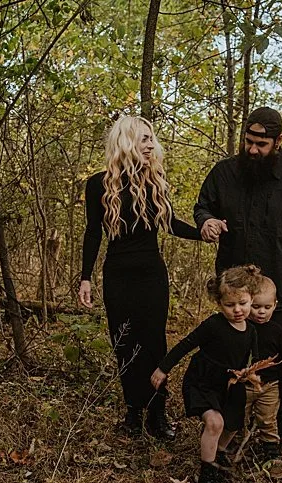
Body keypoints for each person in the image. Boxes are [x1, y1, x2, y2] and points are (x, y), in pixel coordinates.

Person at [193, 106, 282, 446]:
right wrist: (206, 221)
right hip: (236, 292)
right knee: (231, 356)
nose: (253, 150)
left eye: (261, 144)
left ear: (278, 141)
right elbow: (203, 206)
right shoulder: (224, 173)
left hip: (281, 289)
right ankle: (228, 423)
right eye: (248, 141)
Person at [78, 115, 203, 439]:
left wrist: (203, 233)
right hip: (117, 274)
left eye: (152, 138)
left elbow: (171, 223)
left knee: (153, 343)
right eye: (144, 138)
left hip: (151, 274)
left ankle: (157, 415)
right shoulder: (98, 184)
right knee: (124, 343)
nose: (151, 144)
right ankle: (133, 412)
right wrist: (85, 278)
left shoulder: (154, 180)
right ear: (127, 141)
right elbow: (93, 233)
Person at [151, 265, 263, 483]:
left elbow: (252, 359)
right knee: (214, 422)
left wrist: (250, 373)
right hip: (203, 381)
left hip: (231, 384)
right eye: (229, 305)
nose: (237, 310)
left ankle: (219, 452)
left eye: (243, 303)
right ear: (219, 303)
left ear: (252, 298)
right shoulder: (214, 325)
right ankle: (207, 477)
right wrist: (163, 368)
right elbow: (186, 344)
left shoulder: (251, 331)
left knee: (232, 424)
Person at [243, 276, 282, 461]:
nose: (261, 312)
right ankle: (236, 447)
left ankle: (270, 449)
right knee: (239, 418)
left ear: (275, 305)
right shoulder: (241, 328)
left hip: (269, 385)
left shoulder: (278, 332)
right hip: (243, 384)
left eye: (267, 307)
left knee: (268, 419)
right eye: (256, 306)